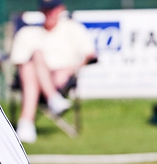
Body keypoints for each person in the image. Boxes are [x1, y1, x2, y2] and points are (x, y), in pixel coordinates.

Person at [9, 0, 96, 143]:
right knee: (33, 60)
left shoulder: (73, 28)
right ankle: (52, 99)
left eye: (53, 8)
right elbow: (18, 60)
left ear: (61, 8)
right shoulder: (28, 32)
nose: (49, 13)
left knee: (32, 64)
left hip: (61, 79)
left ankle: (26, 122)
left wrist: (69, 69)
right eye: (46, 9)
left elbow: (90, 54)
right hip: (31, 80)